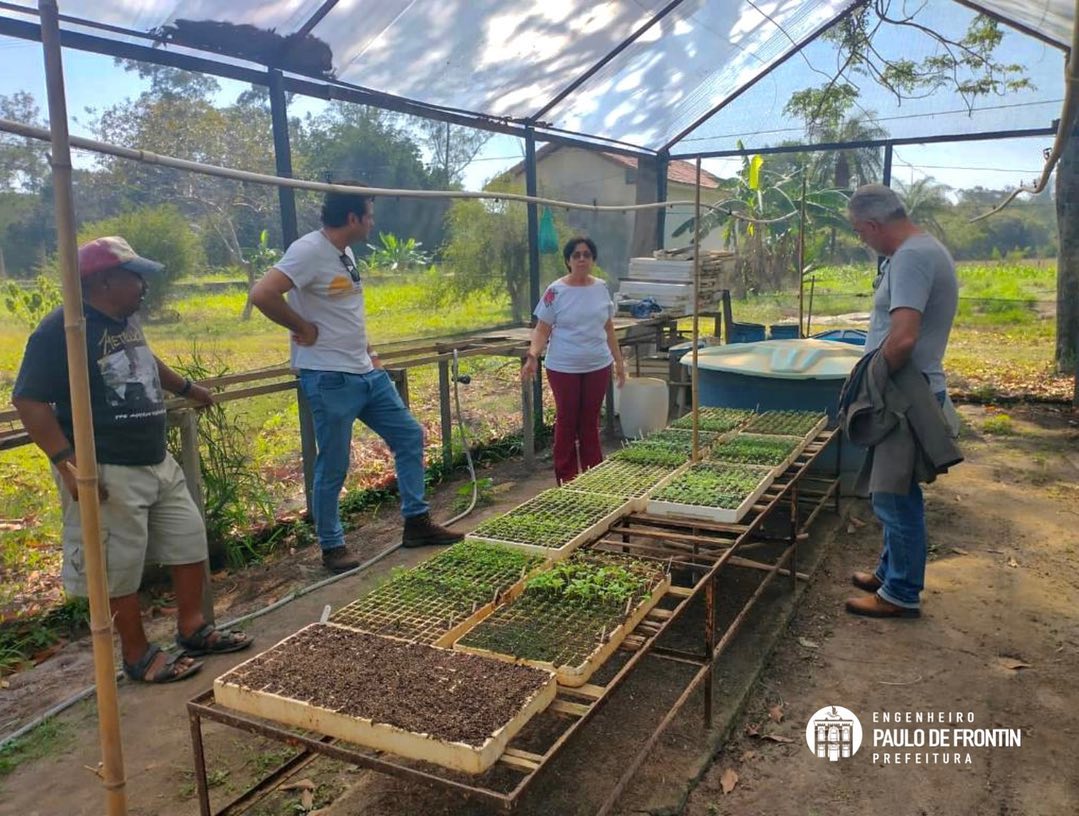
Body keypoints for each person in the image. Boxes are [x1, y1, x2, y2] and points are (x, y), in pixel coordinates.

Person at [12, 236, 251, 684]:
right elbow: (28, 400)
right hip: (107, 466)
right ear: (103, 280)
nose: (143, 285)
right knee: (117, 567)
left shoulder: (124, 318)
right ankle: (138, 655)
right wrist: (67, 461)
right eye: (134, 277)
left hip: (155, 458)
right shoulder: (61, 329)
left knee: (188, 540)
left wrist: (187, 389)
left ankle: (193, 627)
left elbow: (145, 359)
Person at [250, 186, 462, 573]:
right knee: (333, 464)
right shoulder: (307, 251)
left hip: (365, 372)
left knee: (409, 435)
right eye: (369, 214)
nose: (372, 221)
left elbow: (346, 311)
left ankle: (416, 522)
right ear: (353, 218)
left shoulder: (344, 252)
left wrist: (372, 353)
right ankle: (332, 545)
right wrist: (301, 327)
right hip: (330, 376)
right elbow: (262, 294)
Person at [845, 184, 959, 618]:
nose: (862, 239)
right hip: (906, 389)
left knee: (895, 497)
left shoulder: (911, 257)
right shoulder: (919, 250)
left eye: (860, 231)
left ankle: (901, 594)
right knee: (890, 489)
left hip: (903, 393)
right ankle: (890, 571)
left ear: (874, 225)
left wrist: (869, 380)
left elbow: (904, 337)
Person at [521, 236, 626, 485]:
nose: (581, 259)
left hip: (597, 365)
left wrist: (619, 361)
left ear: (593, 260)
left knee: (590, 421)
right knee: (567, 420)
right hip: (564, 367)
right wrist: (533, 355)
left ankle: (593, 476)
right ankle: (566, 478)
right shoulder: (555, 291)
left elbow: (609, 328)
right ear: (568, 261)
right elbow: (542, 328)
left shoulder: (601, 288)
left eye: (586, 255)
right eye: (576, 255)